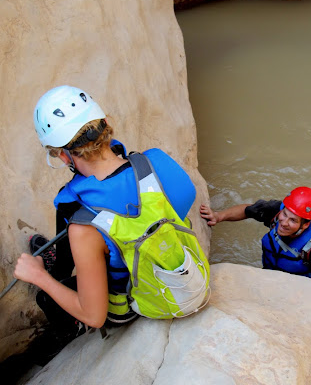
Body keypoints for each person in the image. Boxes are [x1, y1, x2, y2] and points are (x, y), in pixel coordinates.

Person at [14, 85, 201, 341]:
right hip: (176, 269)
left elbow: (95, 315)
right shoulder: (156, 162)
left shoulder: (82, 220)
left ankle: (70, 332)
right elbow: (183, 201)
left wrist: (38, 276)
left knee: (45, 294)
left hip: (130, 304)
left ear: (66, 156)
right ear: (104, 124)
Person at [200, 187, 311, 291]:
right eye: (284, 215)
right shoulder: (278, 210)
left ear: (305, 226)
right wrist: (218, 216)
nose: (284, 223)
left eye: (293, 221)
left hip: (298, 285)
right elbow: (247, 210)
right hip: (273, 272)